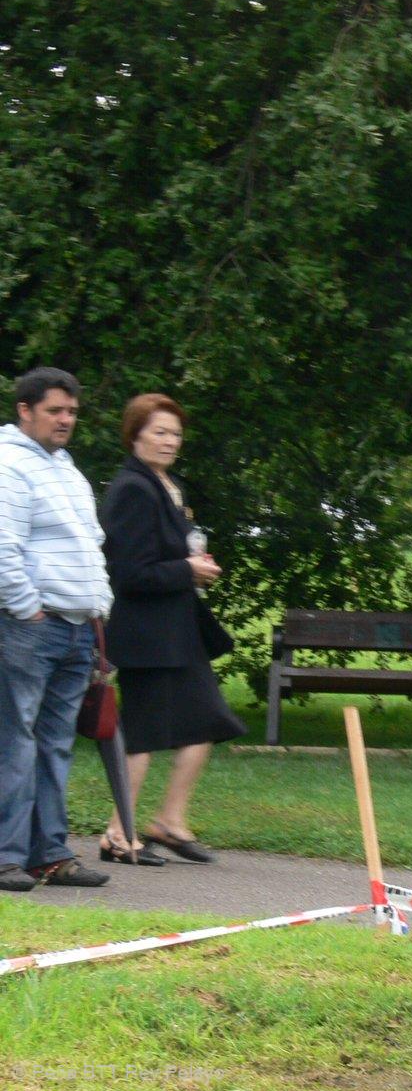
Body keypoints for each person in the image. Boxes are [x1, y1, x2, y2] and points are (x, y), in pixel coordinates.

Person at [99, 394, 241, 865]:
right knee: (142, 734)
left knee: (206, 721)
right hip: (146, 636)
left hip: (178, 633)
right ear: (135, 434)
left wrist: (193, 567)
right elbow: (130, 574)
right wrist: (186, 569)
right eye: (159, 431)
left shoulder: (167, 486)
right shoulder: (131, 489)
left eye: (176, 433)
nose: (169, 441)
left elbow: (169, 556)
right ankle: (118, 833)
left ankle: (169, 822)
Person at [0, 368, 113, 891]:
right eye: (55, 411)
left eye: (72, 411)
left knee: (54, 744)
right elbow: (3, 548)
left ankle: (49, 855)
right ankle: (6, 856)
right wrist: (28, 608)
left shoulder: (66, 469)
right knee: (15, 740)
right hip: (31, 627)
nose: (66, 420)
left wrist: (98, 605)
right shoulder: (9, 464)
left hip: (77, 627)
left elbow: (90, 543)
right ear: (25, 410)